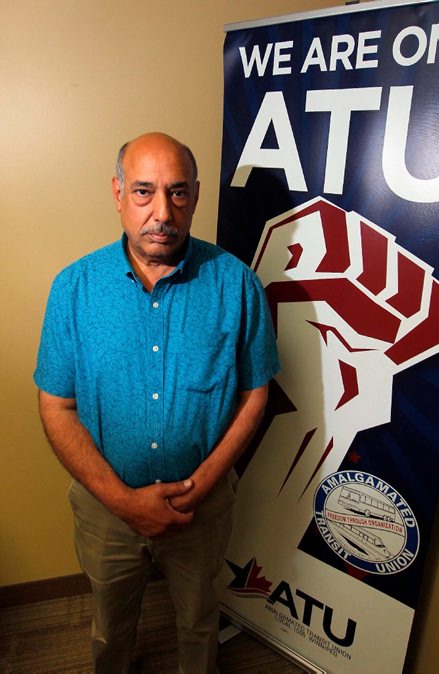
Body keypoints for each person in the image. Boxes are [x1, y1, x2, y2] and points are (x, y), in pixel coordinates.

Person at [34, 132, 280, 674]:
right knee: (110, 621)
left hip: (204, 504)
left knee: (198, 619)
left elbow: (255, 393)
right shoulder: (73, 289)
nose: (161, 212)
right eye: (144, 192)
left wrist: (204, 483)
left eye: (177, 193)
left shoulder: (237, 285)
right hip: (104, 508)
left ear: (195, 195)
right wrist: (122, 500)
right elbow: (56, 407)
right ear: (118, 193)